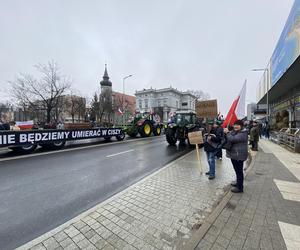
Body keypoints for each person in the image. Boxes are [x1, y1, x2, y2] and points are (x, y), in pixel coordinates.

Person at [224, 120, 248, 193]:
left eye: (238, 125)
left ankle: (240, 188)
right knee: (237, 170)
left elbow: (233, 139)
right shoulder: (235, 132)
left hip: (239, 156)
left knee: (239, 171)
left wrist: (227, 133)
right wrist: (226, 131)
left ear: (241, 126)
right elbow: (229, 136)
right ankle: (238, 182)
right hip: (235, 155)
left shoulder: (243, 133)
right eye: (235, 125)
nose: (236, 126)